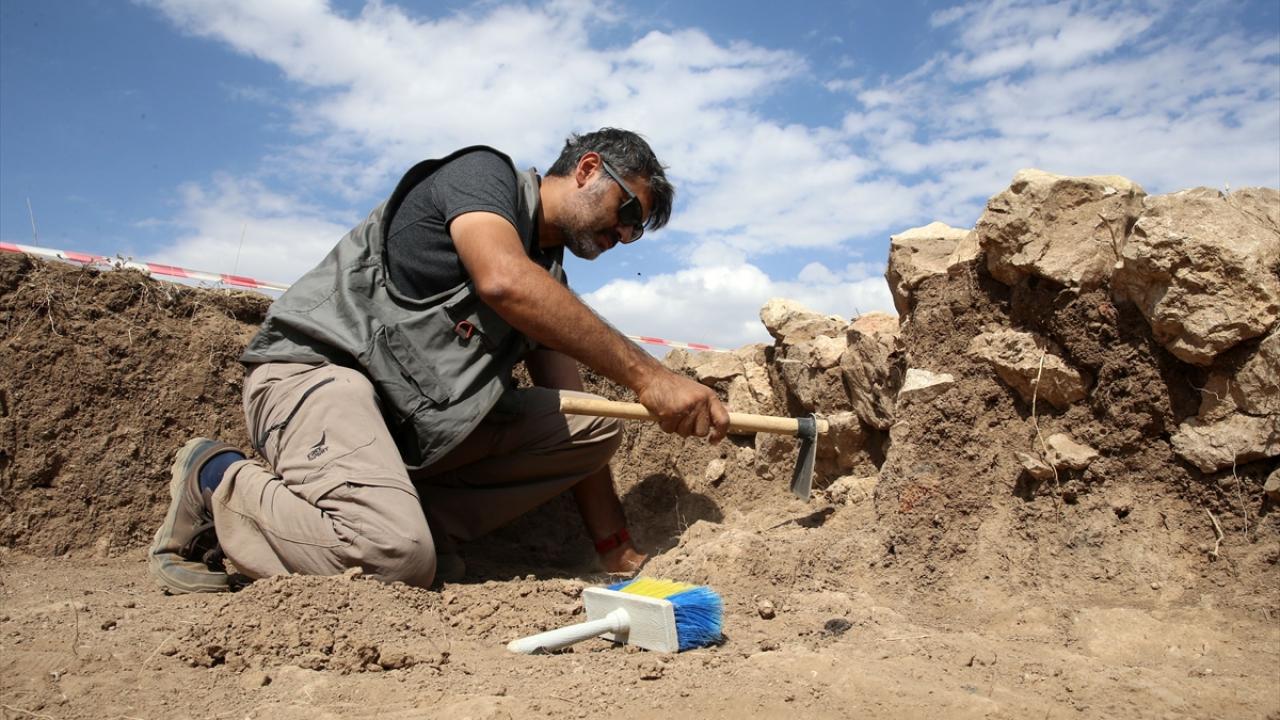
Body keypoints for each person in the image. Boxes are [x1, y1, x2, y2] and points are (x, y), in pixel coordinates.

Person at [149, 128, 729, 592]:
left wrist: (615, 550)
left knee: (594, 425)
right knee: (394, 559)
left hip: (404, 431)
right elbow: (503, 281)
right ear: (587, 169)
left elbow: (576, 409)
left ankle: (406, 525)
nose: (623, 235)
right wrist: (651, 376)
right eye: (628, 212)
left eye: (635, 232)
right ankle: (216, 478)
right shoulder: (483, 177)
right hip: (319, 373)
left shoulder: (547, 280)